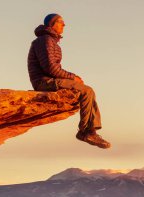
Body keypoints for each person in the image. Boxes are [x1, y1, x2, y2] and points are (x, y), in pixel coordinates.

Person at [27, 13, 111, 149]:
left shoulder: (49, 40)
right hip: (44, 81)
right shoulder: (45, 40)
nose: (64, 25)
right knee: (87, 91)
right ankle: (86, 132)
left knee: (85, 91)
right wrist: (73, 77)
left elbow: (52, 68)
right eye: (60, 22)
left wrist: (73, 78)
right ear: (51, 24)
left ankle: (89, 130)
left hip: (48, 79)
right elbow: (50, 68)